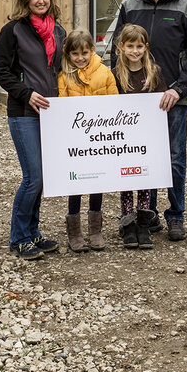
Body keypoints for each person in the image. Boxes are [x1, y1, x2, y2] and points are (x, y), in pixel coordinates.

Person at [111, 0, 187, 242]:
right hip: (135, 100)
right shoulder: (129, 6)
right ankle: (145, 215)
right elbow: (117, 50)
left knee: (174, 159)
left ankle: (175, 215)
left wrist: (178, 89)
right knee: (138, 156)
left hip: (172, 98)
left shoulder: (186, 7)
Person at [0, 0, 67, 261]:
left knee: (43, 177)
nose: (41, 0)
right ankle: (19, 237)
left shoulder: (58, 32)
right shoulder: (13, 31)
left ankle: (33, 233)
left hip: (52, 114)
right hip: (24, 113)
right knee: (33, 177)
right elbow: (0, 70)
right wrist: (26, 93)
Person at [57, 29, 119, 252]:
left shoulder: (105, 73)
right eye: (75, 54)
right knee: (75, 183)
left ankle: (95, 230)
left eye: (84, 52)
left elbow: (114, 103)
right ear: (68, 54)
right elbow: (62, 107)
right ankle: (74, 232)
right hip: (76, 141)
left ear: (92, 51)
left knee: (97, 183)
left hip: (99, 141)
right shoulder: (64, 77)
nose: (80, 58)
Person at [111, 24, 165, 250]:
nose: (134, 51)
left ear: (146, 47)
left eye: (139, 46)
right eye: (130, 46)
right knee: (126, 181)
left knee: (144, 181)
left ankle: (143, 224)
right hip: (124, 141)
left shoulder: (154, 72)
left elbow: (161, 104)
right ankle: (128, 224)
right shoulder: (115, 75)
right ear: (121, 47)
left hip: (146, 139)